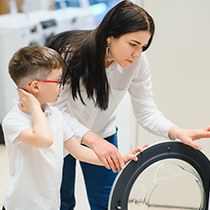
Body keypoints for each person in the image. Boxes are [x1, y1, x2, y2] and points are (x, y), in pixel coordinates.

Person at [47, 1, 210, 209]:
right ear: (110, 35)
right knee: (61, 201)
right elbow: (55, 111)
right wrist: (91, 139)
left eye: (143, 47)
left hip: (102, 134)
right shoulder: (70, 53)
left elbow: (146, 111)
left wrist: (176, 132)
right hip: (60, 134)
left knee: (106, 202)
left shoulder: (138, 64)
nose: (138, 54)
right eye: (133, 44)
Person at [2, 45, 148, 210]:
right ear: (35, 86)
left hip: (50, 205)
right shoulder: (13, 120)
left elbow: (79, 151)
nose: (62, 86)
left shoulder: (55, 115)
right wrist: (35, 108)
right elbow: (44, 139)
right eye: (58, 80)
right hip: (20, 206)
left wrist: (120, 159)